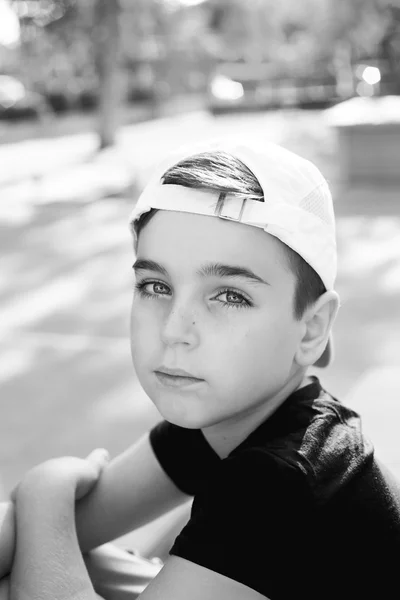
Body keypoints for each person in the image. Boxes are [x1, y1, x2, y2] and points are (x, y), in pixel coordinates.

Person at [2, 137, 400, 600]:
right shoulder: (227, 419)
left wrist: (44, 490)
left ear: (310, 329)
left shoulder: (285, 477)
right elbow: (67, 533)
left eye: (230, 296)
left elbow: (50, 525)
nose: (175, 330)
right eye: (155, 286)